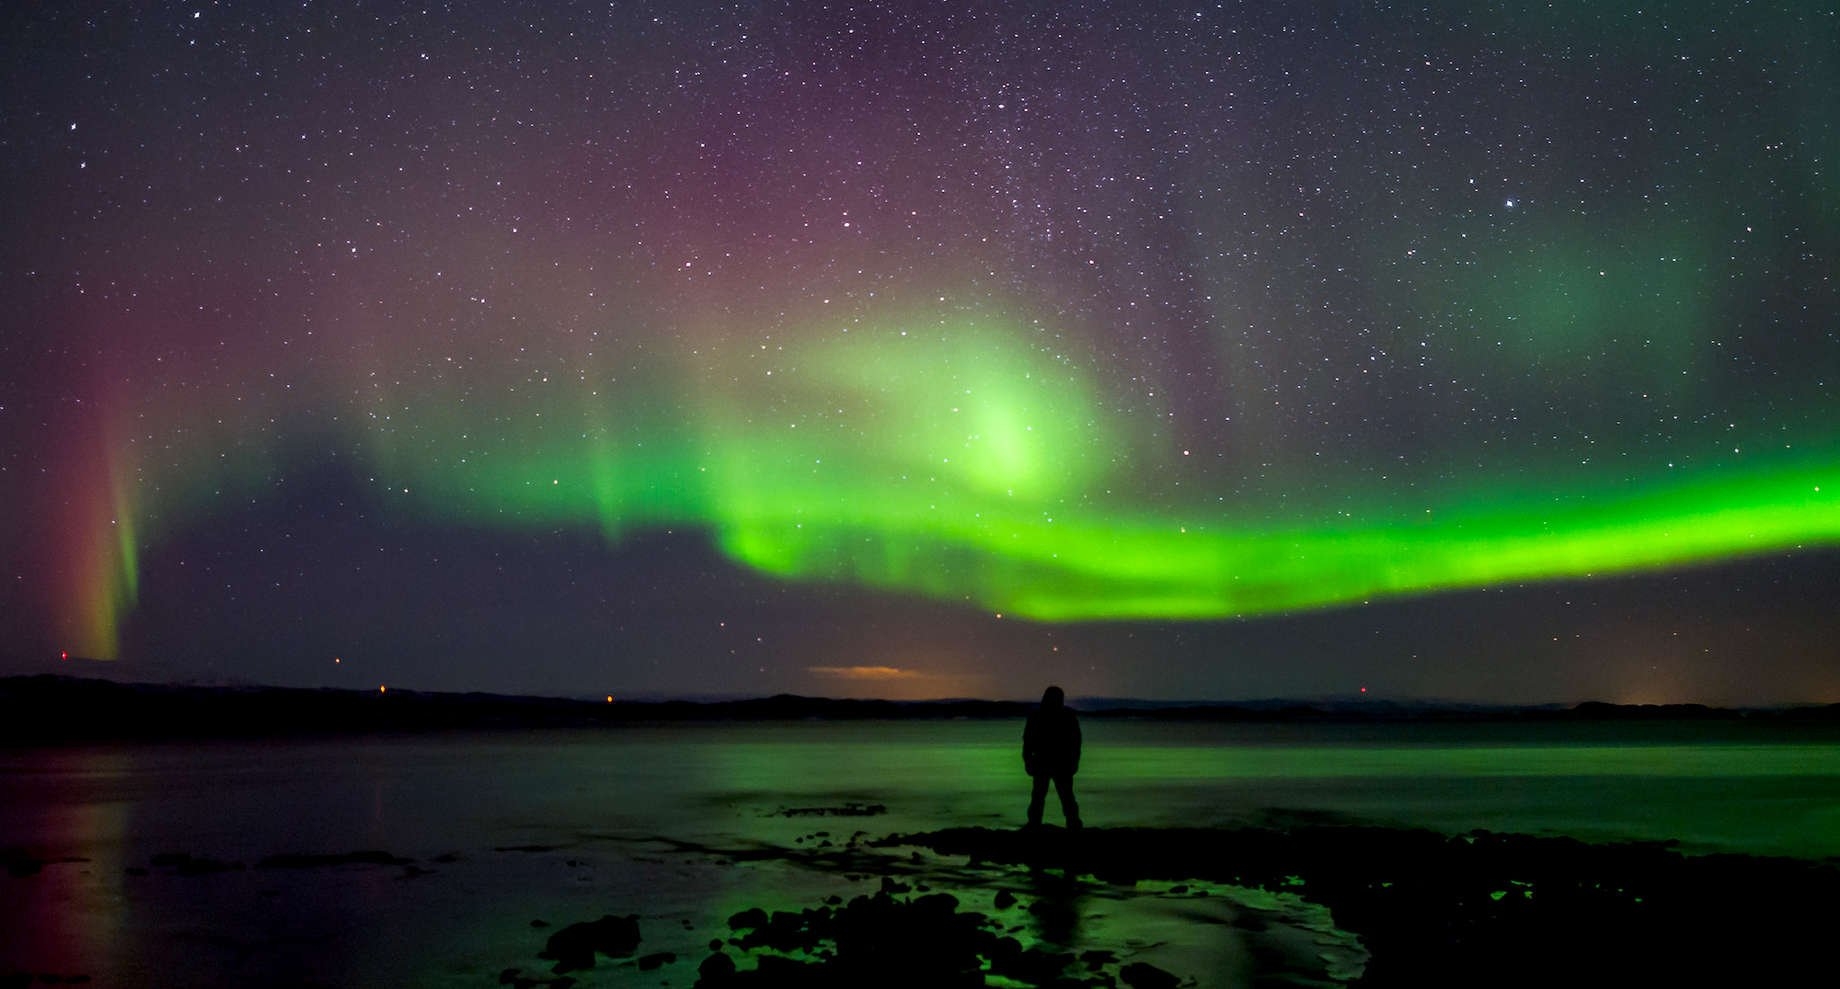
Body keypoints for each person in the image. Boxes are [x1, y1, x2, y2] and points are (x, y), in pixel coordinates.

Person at [1022, 685, 1082, 829]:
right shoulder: (1041, 716)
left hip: (1058, 762)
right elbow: (1028, 741)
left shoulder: (1065, 716)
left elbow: (1075, 741)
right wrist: (1028, 760)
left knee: (1060, 796)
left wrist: (1028, 759)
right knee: (1043, 796)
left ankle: (1071, 823)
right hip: (1049, 761)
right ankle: (1037, 823)